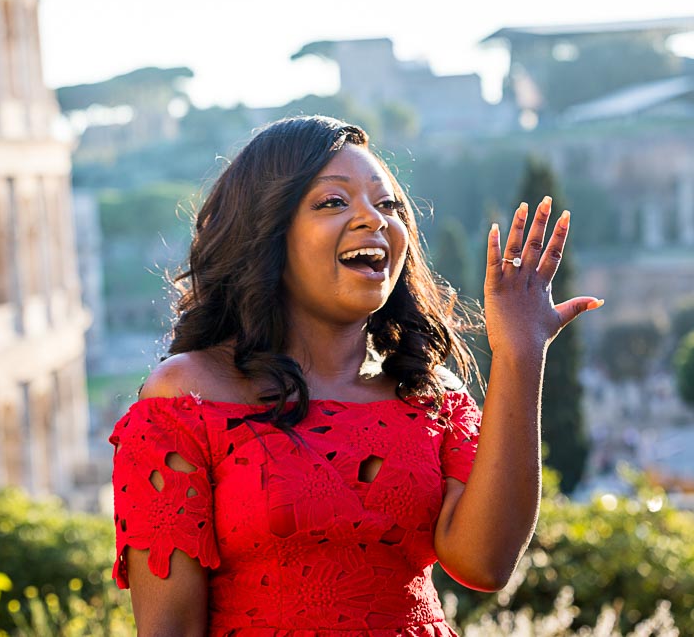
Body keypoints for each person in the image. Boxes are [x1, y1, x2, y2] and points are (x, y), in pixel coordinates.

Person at [109, 115, 602, 636]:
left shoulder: (432, 396)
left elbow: (484, 564)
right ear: (267, 232)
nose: (375, 219)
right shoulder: (185, 397)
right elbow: (168, 629)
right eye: (333, 202)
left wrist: (521, 354)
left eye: (388, 205)